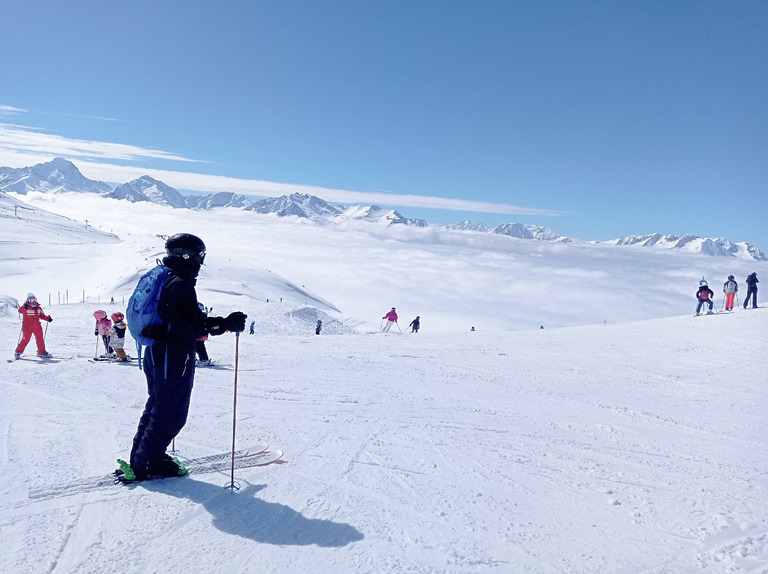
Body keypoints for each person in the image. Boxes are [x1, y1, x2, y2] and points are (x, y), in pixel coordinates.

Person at [121, 233, 246, 482]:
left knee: (158, 404)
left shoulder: (165, 276)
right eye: (200, 255)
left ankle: (142, 457)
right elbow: (188, 327)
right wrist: (225, 324)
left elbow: (176, 321)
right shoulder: (179, 283)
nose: (201, 261)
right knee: (171, 410)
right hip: (172, 353)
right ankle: (148, 462)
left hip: (158, 350)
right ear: (189, 256)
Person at [14, 293, 53, 359]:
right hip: (27, 327)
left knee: (40, 339)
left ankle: (41, 352)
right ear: (28, 300)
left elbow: (41, 315)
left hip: (37, 326)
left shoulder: (38, 308)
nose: (33, 301)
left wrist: (48, 318)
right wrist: (24, 306)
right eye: (31, 300)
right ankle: (18, 352)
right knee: (26, 339)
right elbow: (20, 311)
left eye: (34, 299)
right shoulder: (26, 307)